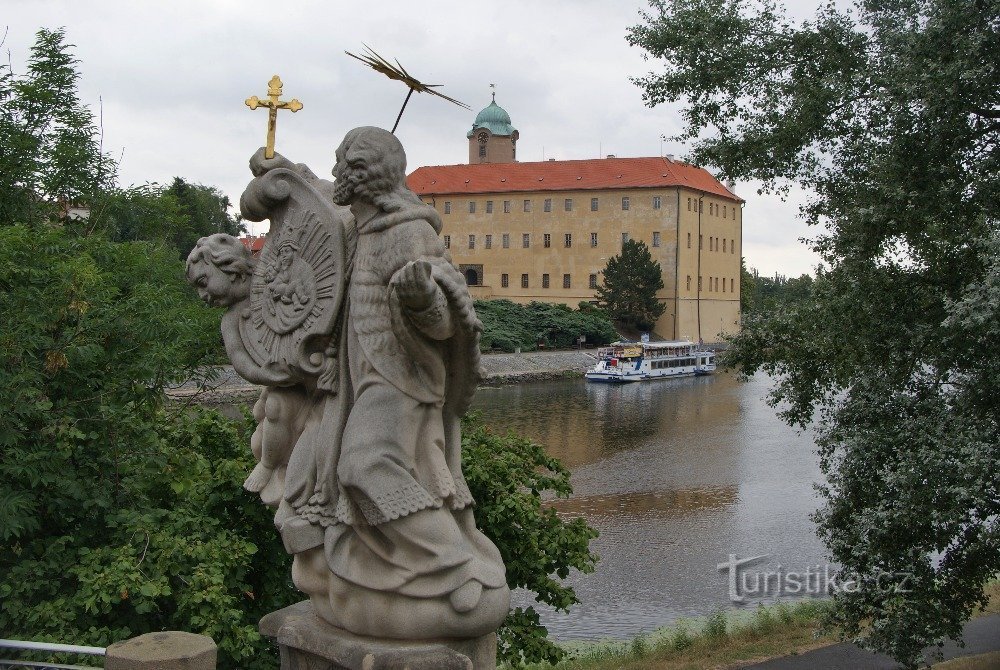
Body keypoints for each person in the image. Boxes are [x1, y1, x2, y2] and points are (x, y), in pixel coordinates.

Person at [248, 127, 509, 639]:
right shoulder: (355, 224)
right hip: (349, 375)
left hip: (400, 375)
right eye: (340, 159)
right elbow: (318, 198)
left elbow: (446, 322)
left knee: (365, 464)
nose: (340, 169)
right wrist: (284, 171)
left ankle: (456, 564)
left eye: (350, 162)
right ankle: (382, 570)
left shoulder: (409, 232)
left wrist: (419, 300)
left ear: (369, 176)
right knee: (322, 469)